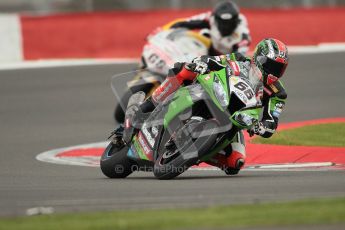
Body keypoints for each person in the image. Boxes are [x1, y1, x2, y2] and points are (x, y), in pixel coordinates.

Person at [117, 38, 288, 174]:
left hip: (235, 120)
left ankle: (197, 151)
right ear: (259, 58)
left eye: (279, 69)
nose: (274, 72)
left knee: (235, 163)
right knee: (183, 69)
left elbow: (271, 122)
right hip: (213, 94)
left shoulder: (277, 94)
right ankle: (143, 109)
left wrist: (261, 127)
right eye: (272, 65)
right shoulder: (239, 59)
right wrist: (201, 63)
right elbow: (214, 60)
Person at [151, 0, 251, 56]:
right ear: (215, 18)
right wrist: (161, 30)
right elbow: (184, 22)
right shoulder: (210, 18)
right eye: (222, 22)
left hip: (227, 58)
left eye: (228, 23)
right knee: (202, 33)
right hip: (210, 47)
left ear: (236, 21)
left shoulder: (242, 35)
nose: (225, 26)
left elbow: (239, 58)